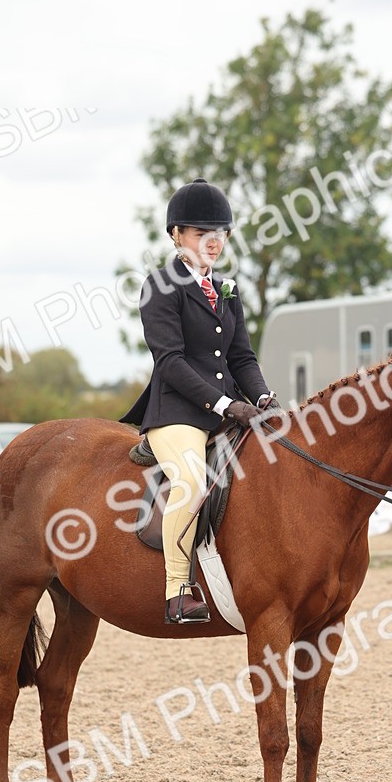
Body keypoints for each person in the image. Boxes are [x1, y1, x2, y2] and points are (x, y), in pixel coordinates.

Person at [120, 177, 280, 625]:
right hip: (177, 413)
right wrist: (227, 405)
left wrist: (263, 396)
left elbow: (241, 357)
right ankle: (178, 591)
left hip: (229, 408)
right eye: (201, 232)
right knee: (190, 482)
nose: (215, 241)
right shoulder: (160, 286)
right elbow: (170, 362)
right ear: (176, 235)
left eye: (222, 233)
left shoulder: (227, 290)